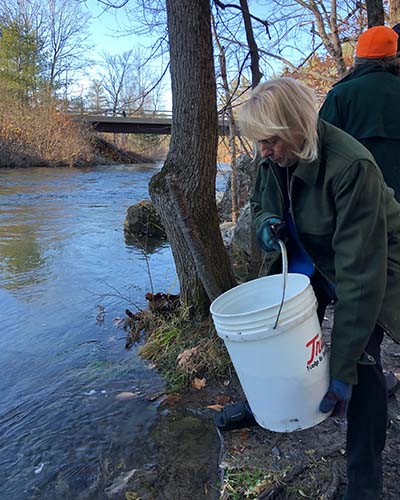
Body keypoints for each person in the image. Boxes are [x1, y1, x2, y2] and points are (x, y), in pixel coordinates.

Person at [236, 77, 400, 500]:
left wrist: (341, 368)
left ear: (296, 128)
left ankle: (365, 483)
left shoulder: (352, 167)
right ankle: (271, 403)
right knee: (277, 334)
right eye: (260, 143)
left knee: (362, 363)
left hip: (372, 258)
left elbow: (361, 279)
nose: (264, 151)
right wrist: (265, 225)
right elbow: (260, 202)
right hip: (308, 253)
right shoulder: (273, 154)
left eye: (270, 141)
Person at [319, 25, 400, 201]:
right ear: (393, 57)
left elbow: (319, 147)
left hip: (358, 200)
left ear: (358, 58)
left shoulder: (340, 95)